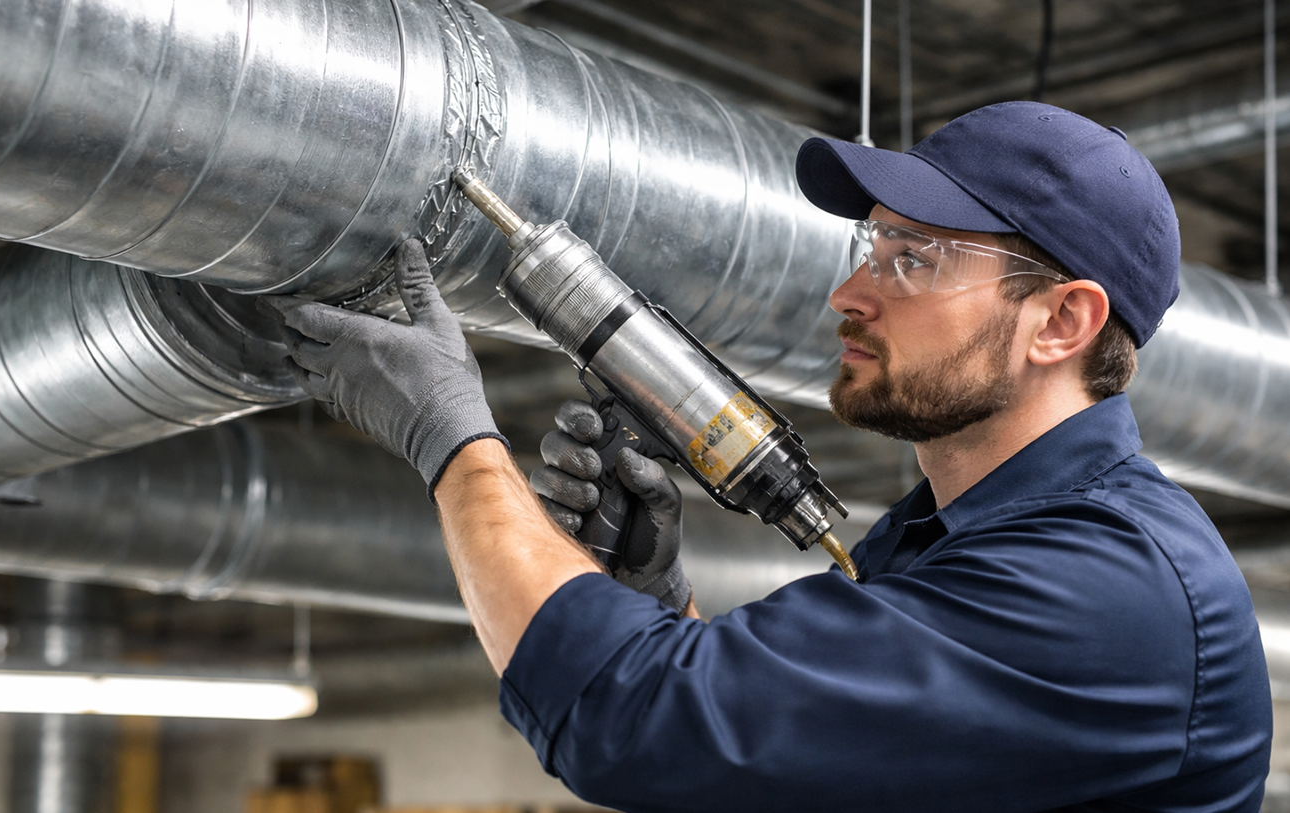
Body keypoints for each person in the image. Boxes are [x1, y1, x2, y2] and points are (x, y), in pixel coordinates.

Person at [260, 102, 1273, 812]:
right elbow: (763, 772)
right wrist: (662, 609)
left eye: (915, 259)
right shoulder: (934, 545)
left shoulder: (1107, 585)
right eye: (872, 249)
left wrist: (450, 437)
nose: (850, 294)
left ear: (1061, 321)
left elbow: (638, 723)